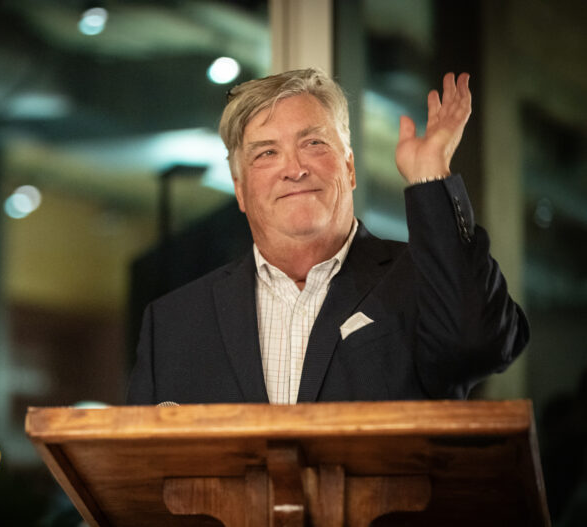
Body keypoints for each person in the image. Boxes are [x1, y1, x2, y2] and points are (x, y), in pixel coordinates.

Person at [127, 68, 528, 405]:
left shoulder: (422, 282)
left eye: (313, 143)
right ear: (239, 189)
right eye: (266, 153)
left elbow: (480, 343)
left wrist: (430, 176)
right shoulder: (172, 324)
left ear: (350, 169)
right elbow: (142, 475)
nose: (294, 168)